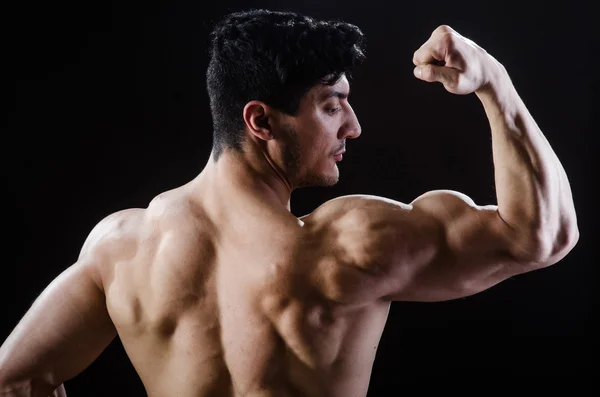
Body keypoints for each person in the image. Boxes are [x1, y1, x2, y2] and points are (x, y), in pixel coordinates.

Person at [0, 8, 579, 397]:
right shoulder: (348, 245)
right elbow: (543, 235)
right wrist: (493, 82)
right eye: (331, 105)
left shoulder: (118, 248)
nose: (353, 126)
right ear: (260, 121)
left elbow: (15, 379)